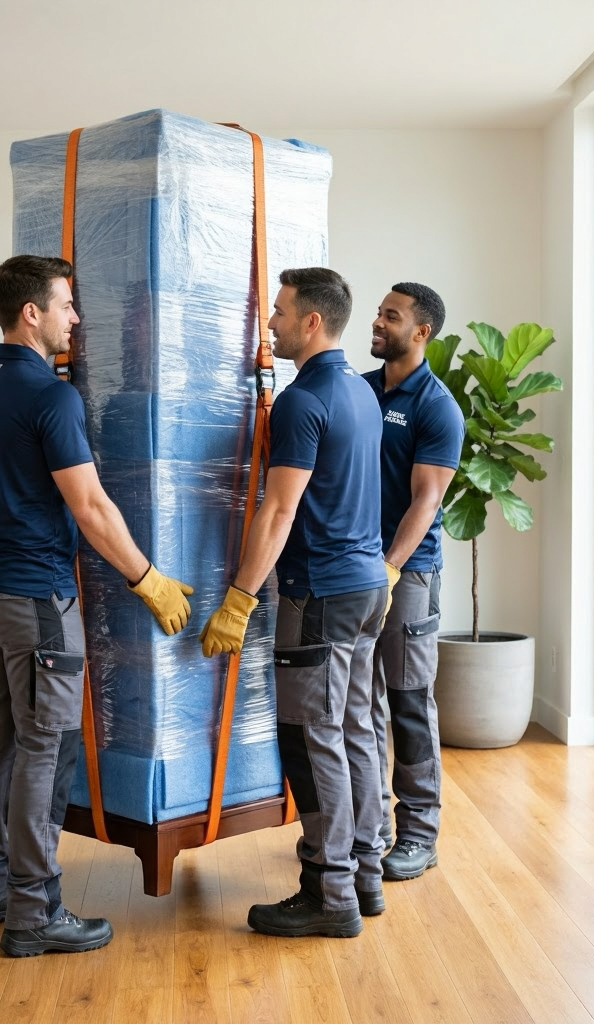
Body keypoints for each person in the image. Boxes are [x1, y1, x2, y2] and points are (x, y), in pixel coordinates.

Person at [0, 254, 193, 956]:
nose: (76, 317)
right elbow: (89, 505)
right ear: (31, 312)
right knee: (44, 748)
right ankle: (34, 914)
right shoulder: (49, 397)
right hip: (33, 596)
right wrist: (147, 577)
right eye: (66, 304)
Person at [200, 267, 389, 938]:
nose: (271, 323)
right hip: (366, 587)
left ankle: (328, 895)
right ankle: (364, 876)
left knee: (311, 741)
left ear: (312, 322)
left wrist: (239, 598)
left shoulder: (302, 401)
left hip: (322, 594)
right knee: (356, 730)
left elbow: (279, 509)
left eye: (280, 312)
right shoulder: (362, 394)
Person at [365, 282, 464, 881]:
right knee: (362, 702)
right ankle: (372, 825)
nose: (377, 322)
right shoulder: (363, 388)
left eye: (390, 316)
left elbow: (426, 501)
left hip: (408, 572)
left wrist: (390, 569)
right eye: (378, 312)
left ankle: (419, 833)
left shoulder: (436, 406)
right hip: (354, 565)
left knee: (407, 699)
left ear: (420, 332)